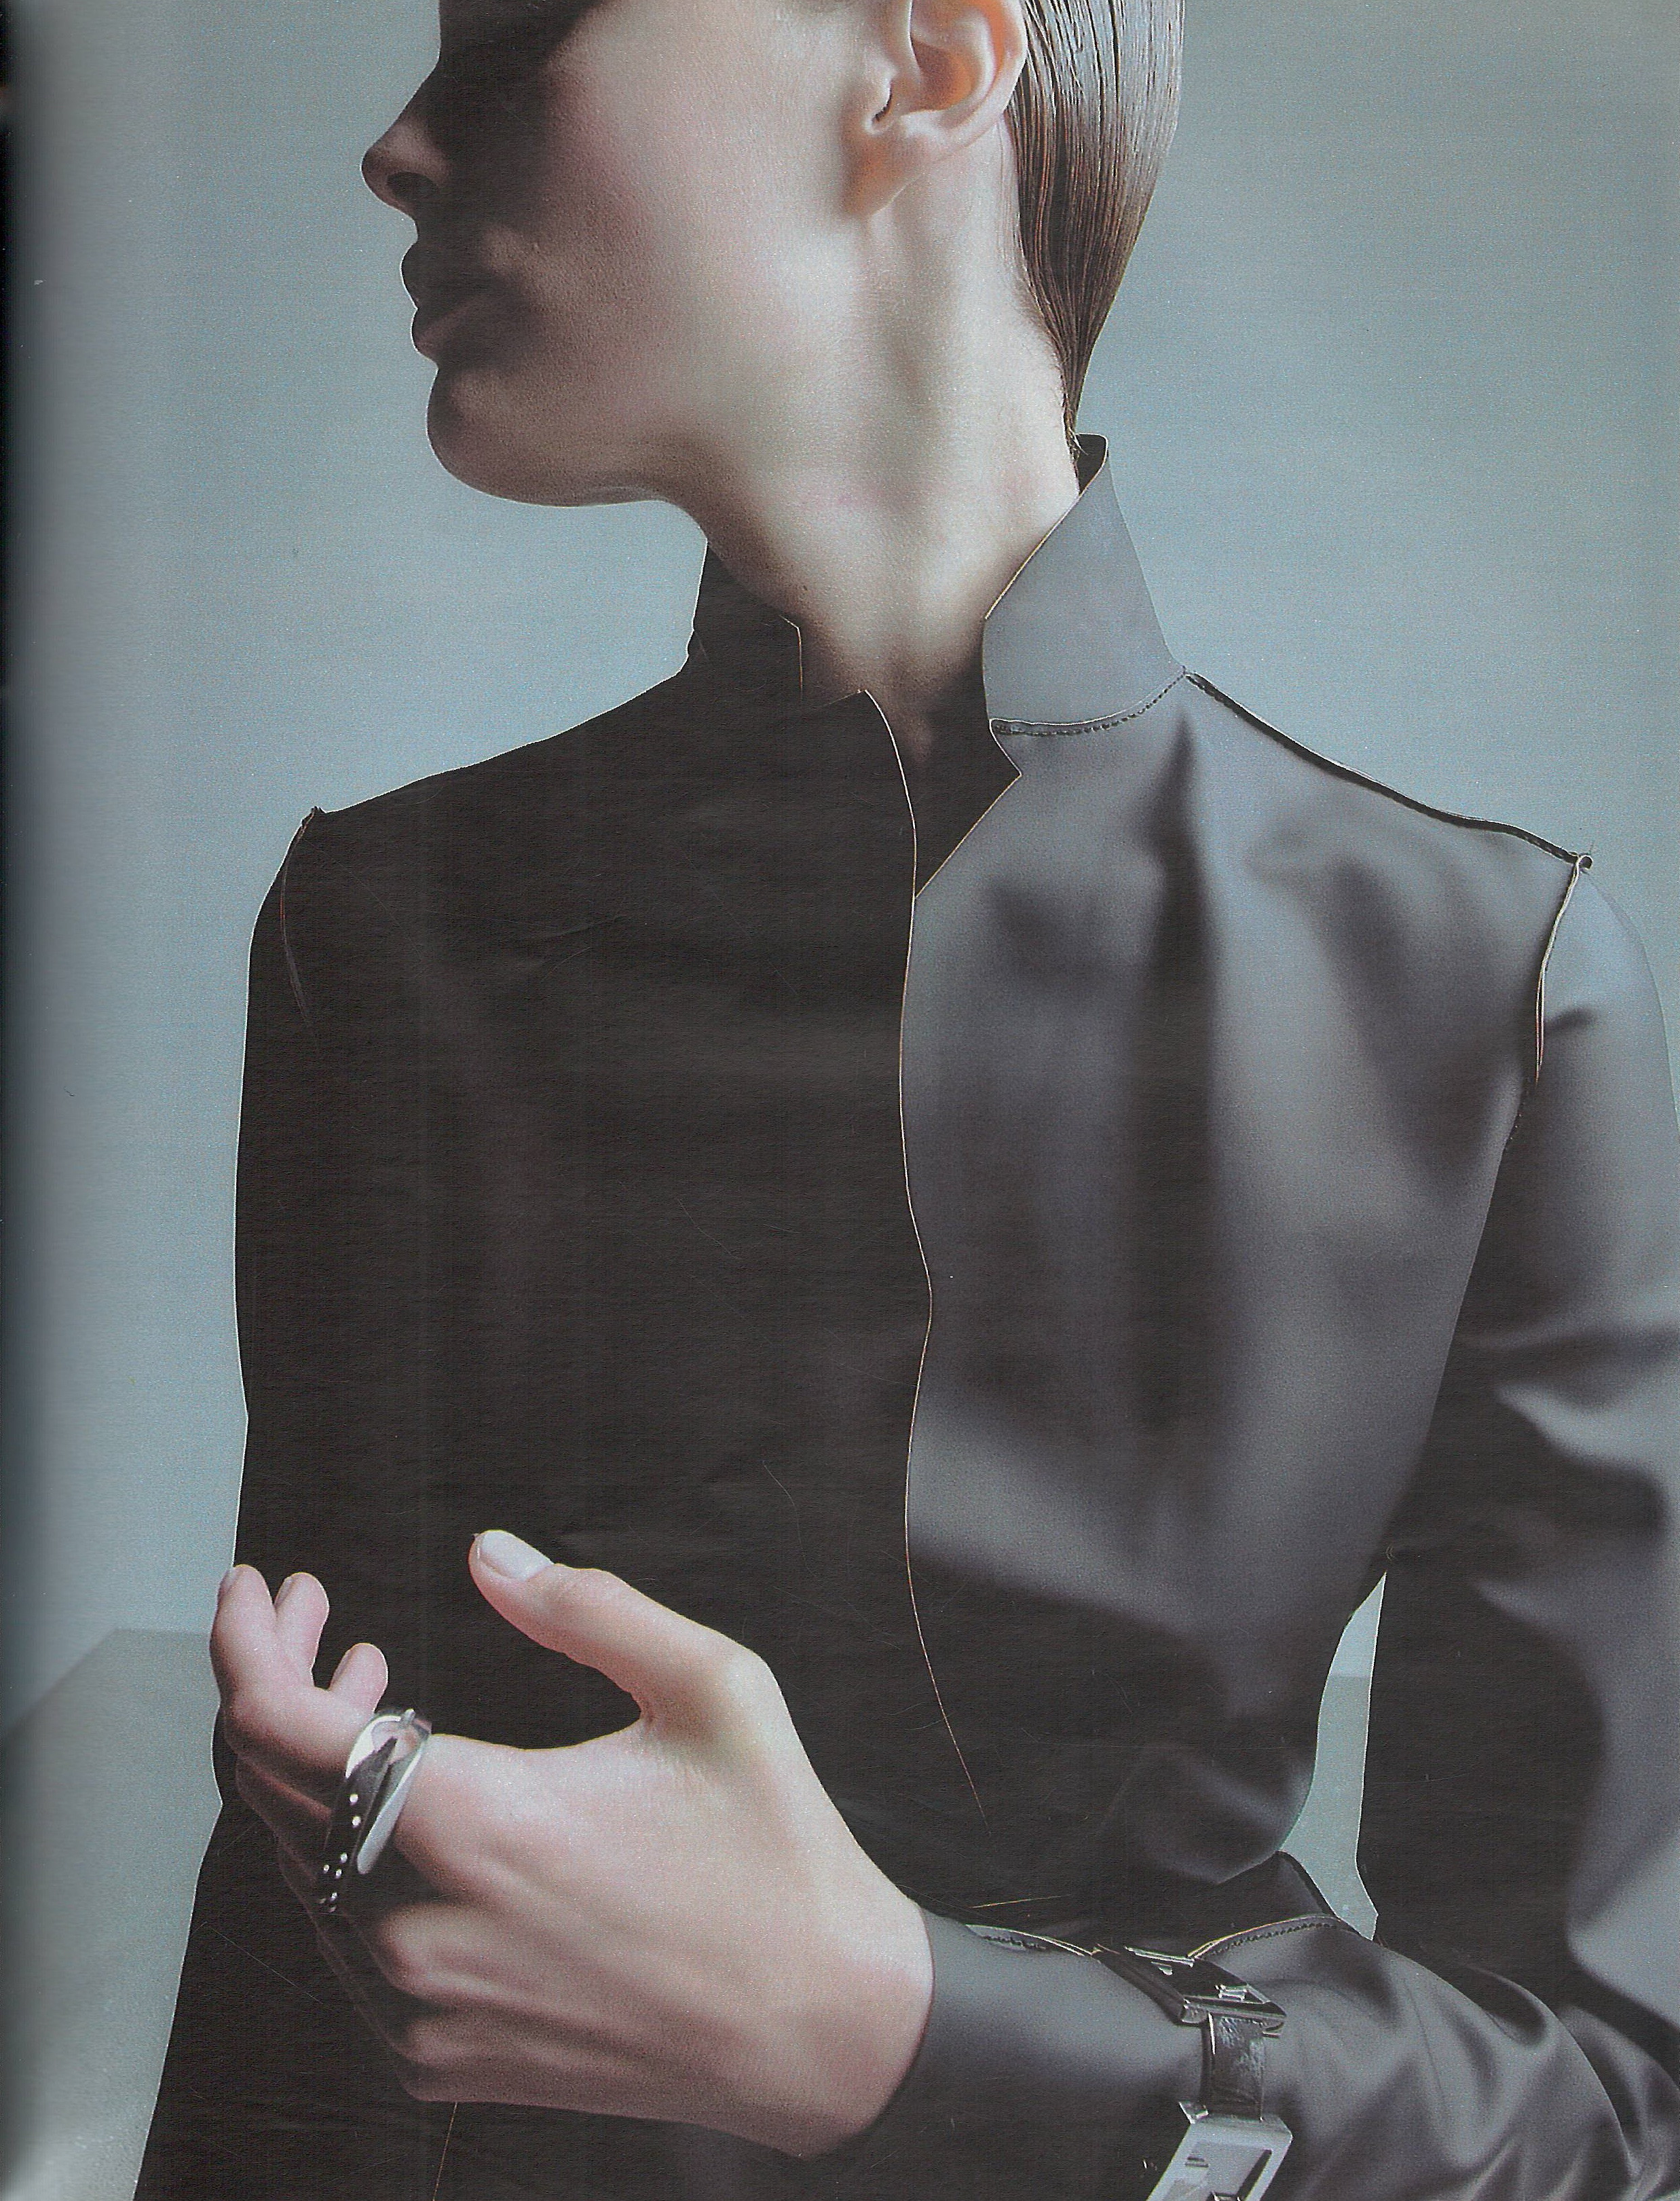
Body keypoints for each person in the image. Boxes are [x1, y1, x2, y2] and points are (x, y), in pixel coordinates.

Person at [141, 0, 1680, 2194]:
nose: (397, 143)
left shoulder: (1486, 986)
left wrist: (905, 2034)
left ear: (931, 60)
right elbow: (301, 1953)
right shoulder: (381, 927)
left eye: (520, 23)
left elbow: (1605, 2099)